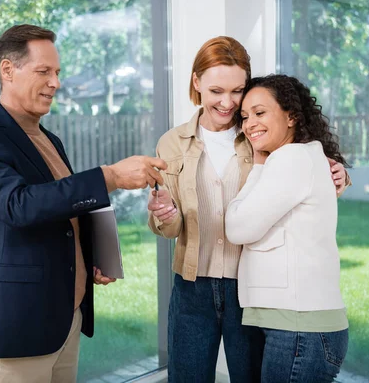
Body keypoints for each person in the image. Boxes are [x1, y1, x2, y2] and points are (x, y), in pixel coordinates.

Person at [0, 24, 167, 383]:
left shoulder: (48, 138)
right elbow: (18, 206)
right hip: (22, 325)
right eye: (44, 72)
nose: (55, 82)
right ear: (8, 70)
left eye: (57, 72)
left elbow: (63, 211)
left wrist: (92, 256)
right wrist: (110, 176)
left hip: (66, 318)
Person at [147, 37, 350, 382]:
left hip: (248, 286)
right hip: (192, 286)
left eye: (237, 91)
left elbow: (306, 181)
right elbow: (171, 226)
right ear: (196, 83)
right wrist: (164, 214)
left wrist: (341, 173)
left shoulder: (260, 134)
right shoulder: (172, 143)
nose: (227, 103)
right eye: (215, 91)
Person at [225, 74, 350, 383]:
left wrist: (257, 165)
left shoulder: (291, 158)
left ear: (292, 115)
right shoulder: (301, 157)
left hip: (299, 329)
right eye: (244, 117)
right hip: (297, 327)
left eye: (260, 112)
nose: (249, 123)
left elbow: (238, 228)